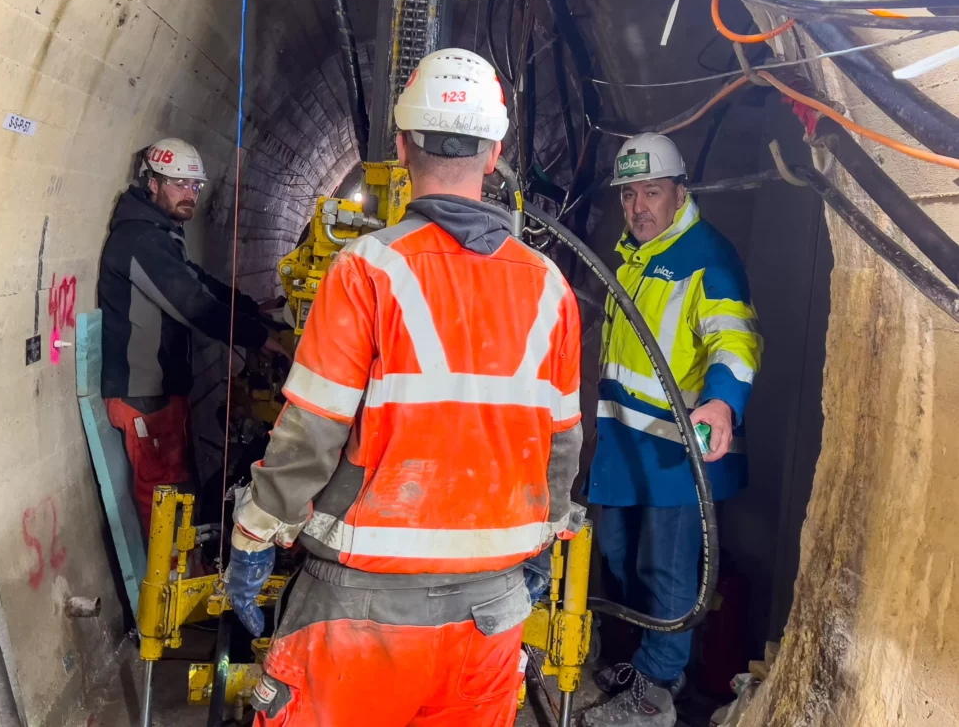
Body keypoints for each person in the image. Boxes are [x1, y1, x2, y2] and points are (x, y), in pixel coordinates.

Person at [224, 48, 585, 727]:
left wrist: (254, 534)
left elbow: (310, 432)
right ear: (495, 151)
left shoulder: (365, 271)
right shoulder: (549, 288)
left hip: (361, 617)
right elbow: (561, 444)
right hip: (488, 620)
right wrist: (540, 543)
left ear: (400, 143)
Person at [582, 133, 763, 727]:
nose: (638, 206)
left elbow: (734, 338)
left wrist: (723, 403)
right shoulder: (636, 257)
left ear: (679, 191)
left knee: (667, 571)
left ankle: (658, 690)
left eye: (651, 192)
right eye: (630, 194)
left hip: (679, 456)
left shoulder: (706, 255)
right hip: (629, 449)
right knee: (617, 556)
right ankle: (647, 659)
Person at [98, 138, 283, 533]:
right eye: (179, 184)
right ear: (152, 183)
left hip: (163, 390)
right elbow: (194, 306)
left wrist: (252, 310)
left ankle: (184, 572)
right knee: (162, 494)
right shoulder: (139, 240)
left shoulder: (161, 234)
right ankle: (163, 587)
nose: (190, 194)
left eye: (195, 186)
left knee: (178, 488)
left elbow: (199, 282)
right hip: (143, 392)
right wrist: (255, 336)